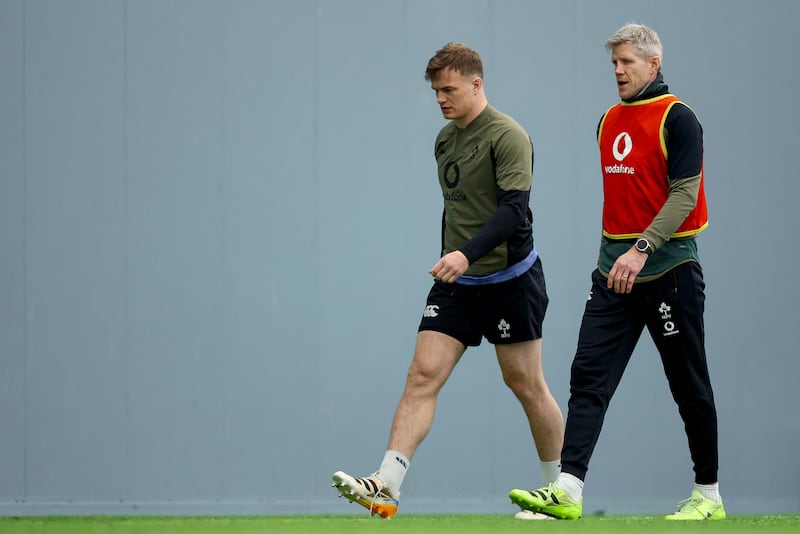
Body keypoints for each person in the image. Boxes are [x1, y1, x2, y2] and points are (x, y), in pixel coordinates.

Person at [331, 42, 564, 519]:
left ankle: (557, 491)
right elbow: (455, 209)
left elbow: (513, 211)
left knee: (525, 383)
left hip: (511, 279)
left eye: (449, 89)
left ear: (477, 84)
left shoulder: (508, 135)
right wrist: (452, 257)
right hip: (458, 281)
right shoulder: (444, 140)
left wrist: (466, 254)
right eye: (436, 90)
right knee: (421, 374)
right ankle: (386, 486)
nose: (440, 98)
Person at [509, 23, 724, 520]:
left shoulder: (679, 118)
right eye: (614, 63)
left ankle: (708, 495)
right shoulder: (608, 120)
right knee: (588, 376)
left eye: (627, 62)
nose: (618, 71)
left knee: (688, 384)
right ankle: (568, 489)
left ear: (653, 64)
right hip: (613, 274)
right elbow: (624, 202)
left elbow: (685, 196)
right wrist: (615, 257)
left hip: (669, 270)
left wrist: (642, 249)